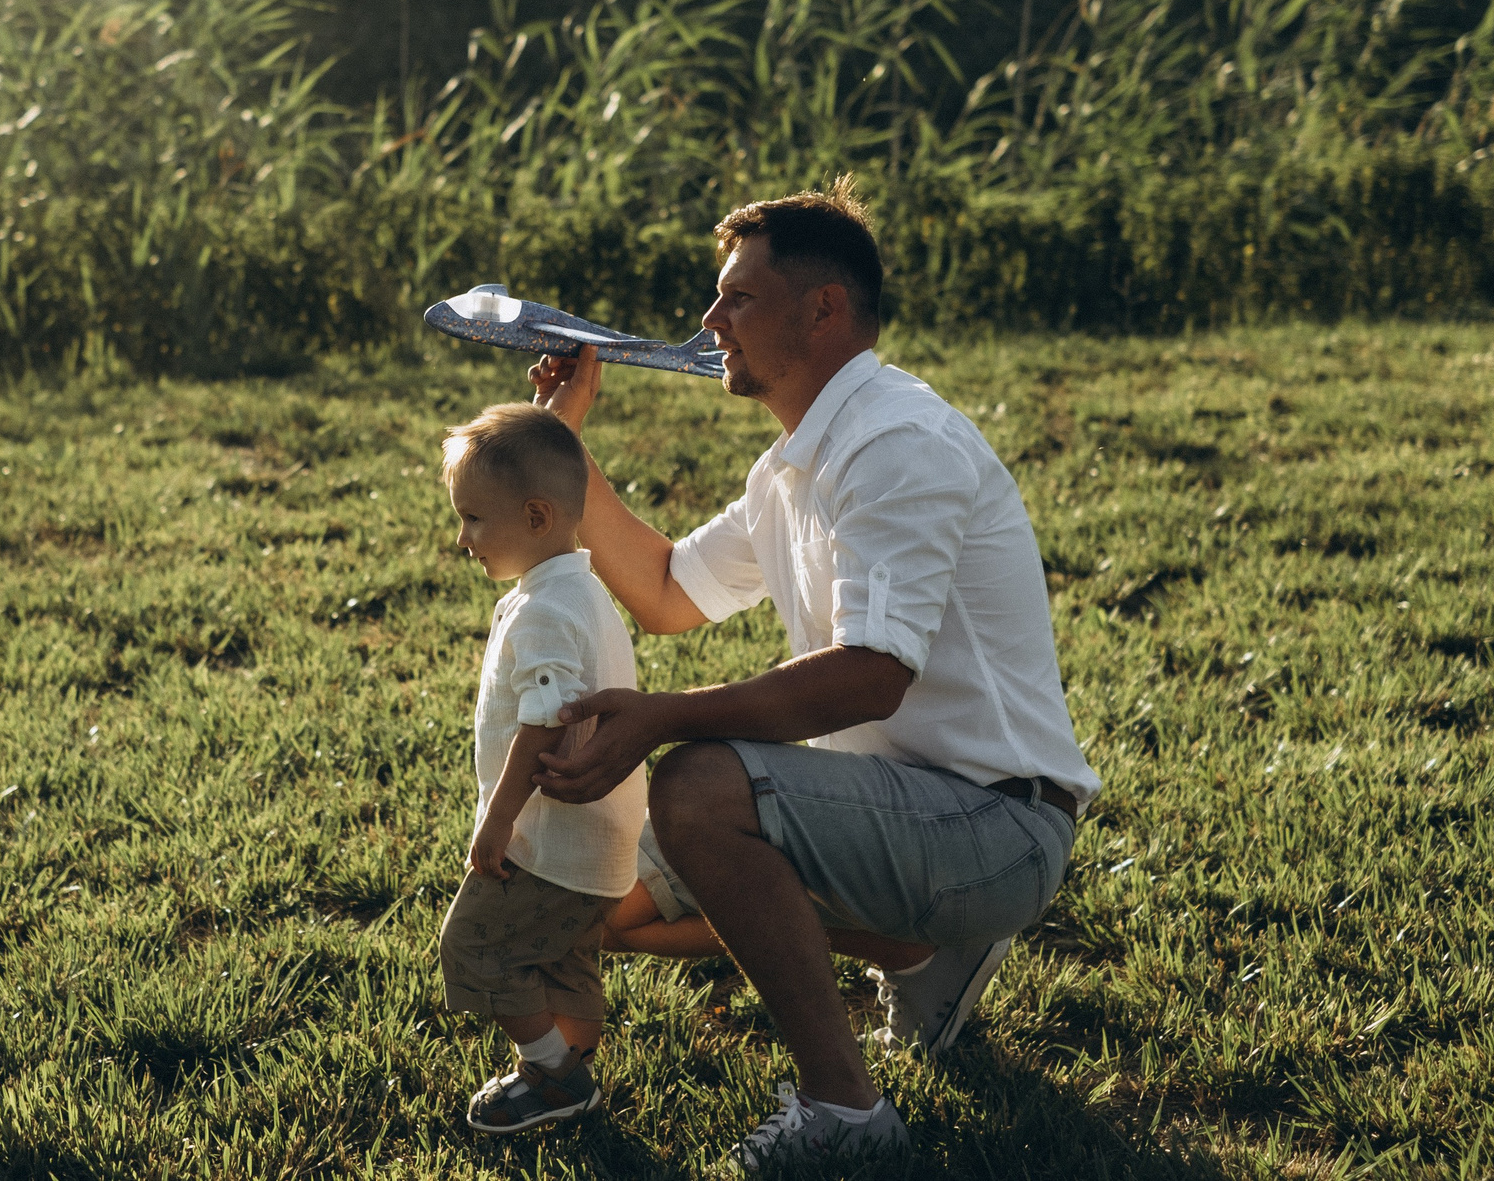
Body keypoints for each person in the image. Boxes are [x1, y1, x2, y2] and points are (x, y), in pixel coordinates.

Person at [527, 181, 1101, 1173]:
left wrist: (661, 718)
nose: (709, 323)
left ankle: (845, 1116)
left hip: (995, 825)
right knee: (589, 902)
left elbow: (870, 679)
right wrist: (565, 446)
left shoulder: (894, 444)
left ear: (823, 308)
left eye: (737, 299)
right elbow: (666, 592)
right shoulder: (791, 464)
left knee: (700, 789)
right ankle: (911, 950)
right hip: (890, 813)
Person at [434, 402, 650, 1134]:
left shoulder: (546, 609)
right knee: (561, 957)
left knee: (473, 945)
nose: (461, 537)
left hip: (548, 842)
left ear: (535, 515)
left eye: (472, 519)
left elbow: (548, 722)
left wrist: (497, 819)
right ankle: (571, 1060)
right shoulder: (578, 590)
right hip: (601, 843)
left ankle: (553, 1075)